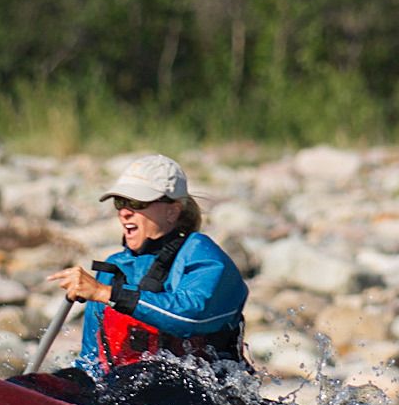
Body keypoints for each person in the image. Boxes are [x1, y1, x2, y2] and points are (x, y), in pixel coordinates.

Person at [48, 154, 249, 381]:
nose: (124, 212)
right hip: (123, 390)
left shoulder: (204, 256)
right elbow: (92, 359)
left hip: (201, 394)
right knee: (52, 383)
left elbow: (191, 316)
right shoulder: (113, 267)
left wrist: (107, 294)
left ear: (172, 211)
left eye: (137, 203)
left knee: (136, 381)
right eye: (120, 203)